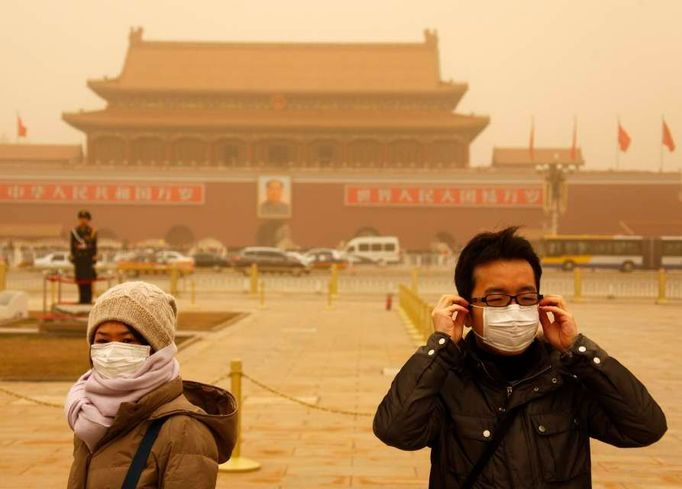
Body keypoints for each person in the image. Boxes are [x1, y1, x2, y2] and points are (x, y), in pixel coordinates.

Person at [373, 227, 666, 488]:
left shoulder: (568, 377)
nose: (514, 310)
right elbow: (396, 431)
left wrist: (578, 349)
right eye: (497, 299)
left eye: (526, 297)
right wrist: (440, 347)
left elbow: (645, 427)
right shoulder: (447, 378)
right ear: (467, 310)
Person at [65, 281, 237, 488]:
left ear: (155, 349)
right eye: (102, 341)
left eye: (127, 341)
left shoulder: (183, 431)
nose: (112, 351)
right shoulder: (87, 413)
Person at [70, 210, 98, 304]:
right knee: (80, 280)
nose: (83, 220)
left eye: (85, 218)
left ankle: (88, 300)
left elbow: (94, 246)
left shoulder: (92, 232)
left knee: (88, 281)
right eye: (81, 218)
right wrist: (73, 256)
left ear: (88, 220)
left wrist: (94, 257)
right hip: (79, 260)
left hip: (88, 259)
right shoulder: (75, 232)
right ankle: (81, 299)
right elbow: (72, 246)